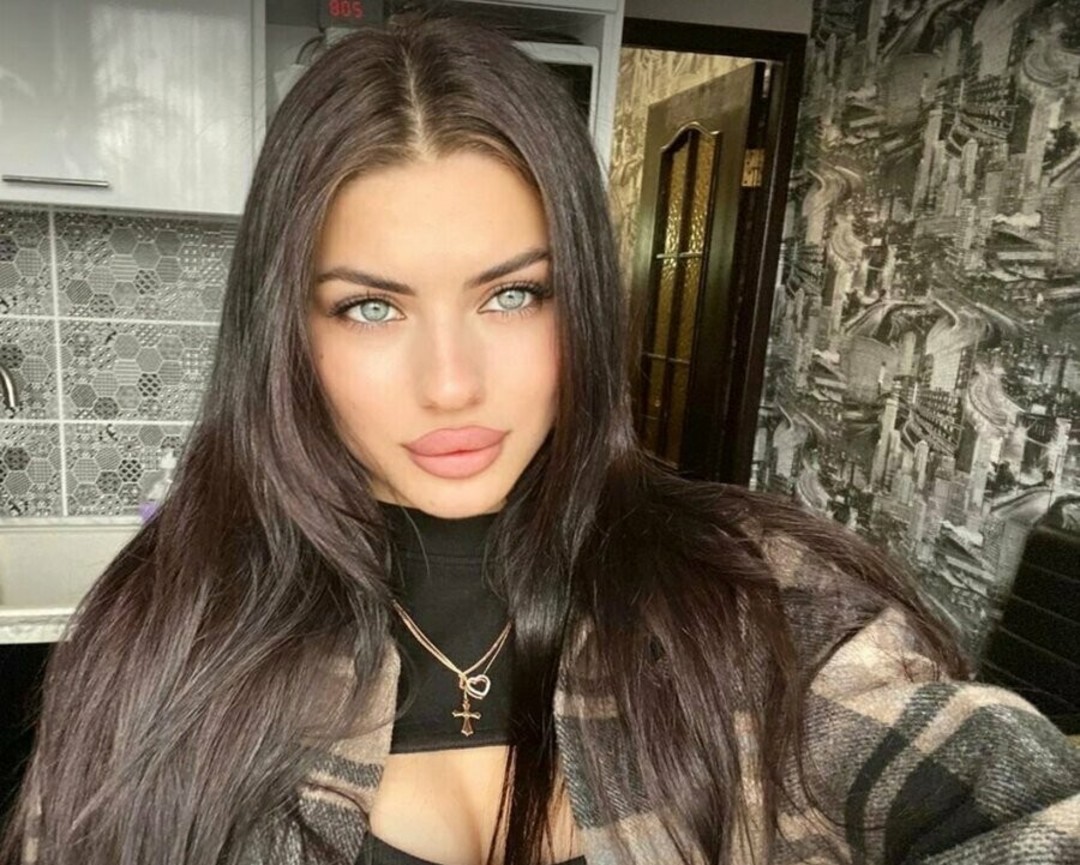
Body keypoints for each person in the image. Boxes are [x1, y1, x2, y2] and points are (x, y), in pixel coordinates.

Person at [4, 13, 1079, 865]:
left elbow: (1018, 807)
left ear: (586, 305)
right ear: (288, 332)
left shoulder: (758, 597)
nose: (451, 384)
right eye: (371, 307)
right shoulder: (174, 636)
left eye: (513, 295)